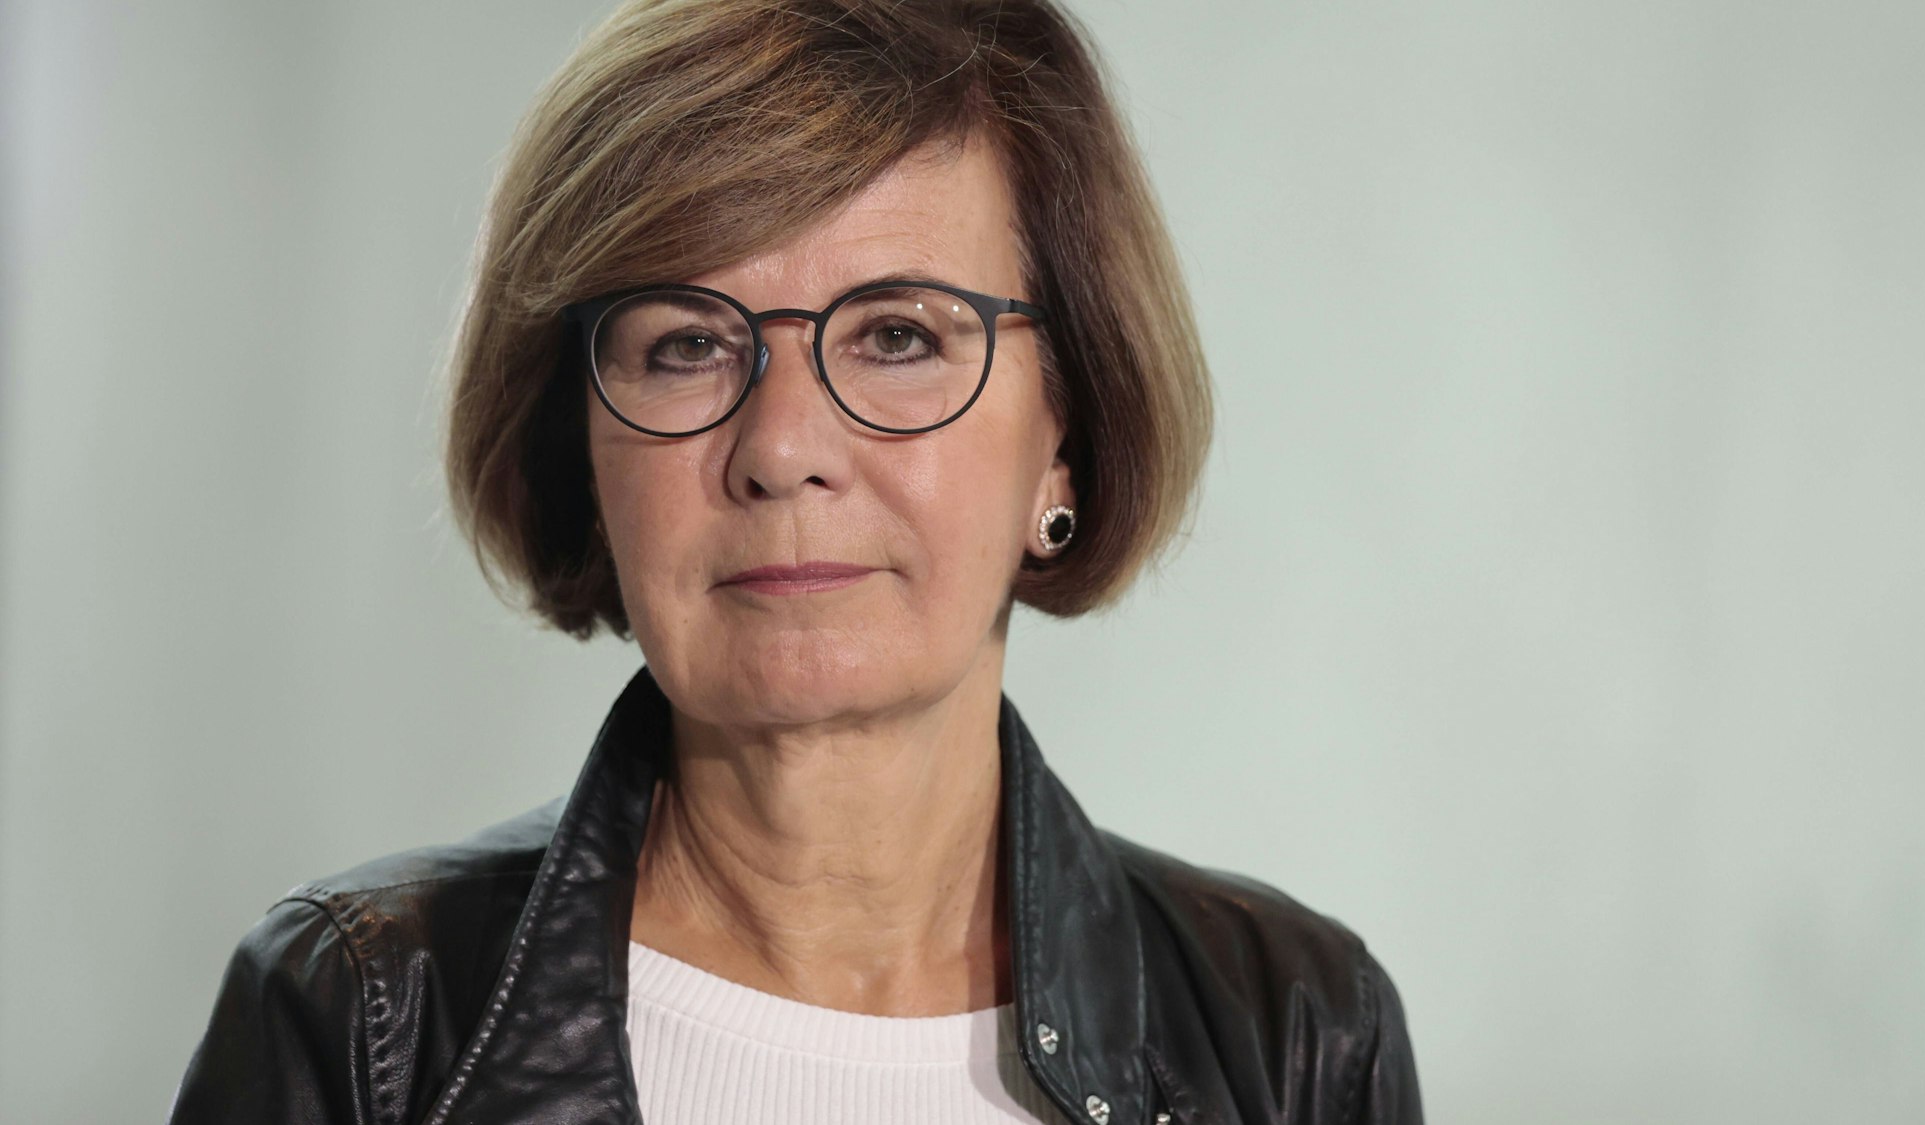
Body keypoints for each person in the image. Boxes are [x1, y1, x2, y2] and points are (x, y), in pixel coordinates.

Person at [166, 0, 1423, 1122]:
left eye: (894, 335)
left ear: (1067, 438)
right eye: (683, 346)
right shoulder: (363, 1022)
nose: (779, 449)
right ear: (584, 449)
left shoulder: (1294, 1032)